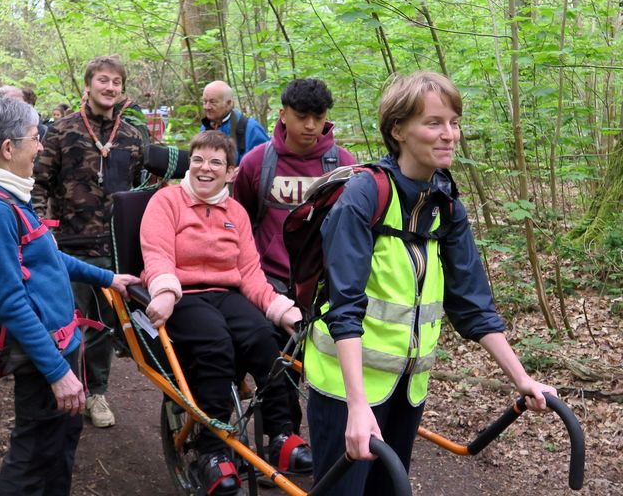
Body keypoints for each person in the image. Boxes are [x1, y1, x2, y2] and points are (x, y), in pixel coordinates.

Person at [304, 71, 557, 495]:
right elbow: (343, 309)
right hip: (346, 388)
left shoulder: (446, 204)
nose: (449, 134)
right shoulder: (365, 196)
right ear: (398, 130)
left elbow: (473, 305)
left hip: (406, 389)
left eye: (454, 122)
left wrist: (523, 379)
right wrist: (357, 405)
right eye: (434, 122)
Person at [0, 96, 139, 495]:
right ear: (8, 149)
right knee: (32, 460)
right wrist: (58, 374)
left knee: (60, 450)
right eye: (34, 137)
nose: (40, 146)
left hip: (61, 348)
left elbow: (50, 258)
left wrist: (108, 278)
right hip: (46, 361)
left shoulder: (14, 199)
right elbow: (11, 303)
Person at [140, 130, 313, 496]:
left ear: (231, 172)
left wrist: (283, 311)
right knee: (215, 344)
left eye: (216, 162)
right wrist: (167, 292)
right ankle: (212, 452)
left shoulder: (235, 211)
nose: (205, 168)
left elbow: (250, 273)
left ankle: (281, 434)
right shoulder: (166, 201)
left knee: (264, 339)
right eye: (199, 159)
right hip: (183, 293)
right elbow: (156, 255)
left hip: (226, 292)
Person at [233, 77, 356, 432]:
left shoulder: (342, 164)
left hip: (318, 287)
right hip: (266, 283)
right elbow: (238, 219)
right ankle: (280, 438)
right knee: (275, 365)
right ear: (283, 114)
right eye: (302, 116)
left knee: (309, 367)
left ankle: (300, 439)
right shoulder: (259, 162)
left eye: (318, 117)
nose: (311, 126)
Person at [33, 55, 145, 428]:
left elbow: (146, 189)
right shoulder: (62, 130)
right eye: (103, 80)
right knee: (66, 322)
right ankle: (63, 389)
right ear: (88, 84)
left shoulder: (131, 136)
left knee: (102, 324)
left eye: (116, 82)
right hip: (68, 245)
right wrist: (40, 230)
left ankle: (96, 394)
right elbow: (38, 183)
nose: (109, 87)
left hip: (113, 247)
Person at [200, 80, 269, 163]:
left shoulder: (250, 128)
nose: (207, 107)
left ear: (228, 103)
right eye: (204, 101)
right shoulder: (205, 127)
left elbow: (267, 161)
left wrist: (243, 170)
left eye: (213, 102)